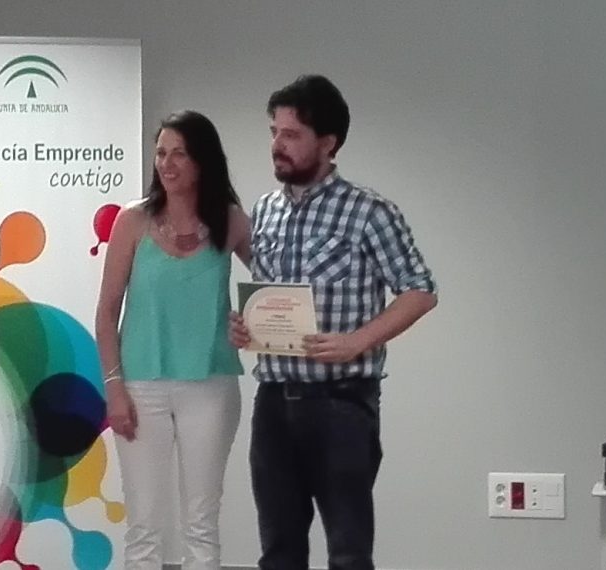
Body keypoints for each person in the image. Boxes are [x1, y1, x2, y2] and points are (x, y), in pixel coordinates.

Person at [229, 75, 438, 570]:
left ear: (328, 142)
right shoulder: (266, 211)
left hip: (341, 402)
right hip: (273, 401)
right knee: (278, 551)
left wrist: (357, 341)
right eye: (274, 132)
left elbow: (420, 291)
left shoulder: (369, 212)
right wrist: (246, 327)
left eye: (291, 135)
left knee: (348, 552)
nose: (277, 145)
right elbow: (269, 293)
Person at [95, 110, 250, 570]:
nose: (167, 163)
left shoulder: (231, 221)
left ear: (203, 160)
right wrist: (114, 388)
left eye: (179, 153)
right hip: (140, 386)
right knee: (144, 525)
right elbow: (106, 312)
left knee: (201, 523)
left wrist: (251, 325)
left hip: (211, 384)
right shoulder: (133, 221)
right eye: (161, 153)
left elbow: (276, 293)